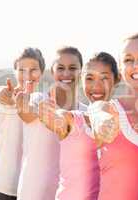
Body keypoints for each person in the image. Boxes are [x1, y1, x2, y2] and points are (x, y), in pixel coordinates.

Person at [91, 34, 138, 200]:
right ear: (120, 68)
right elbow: (97, 111)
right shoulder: (109, 109)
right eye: (128, 60)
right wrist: (101, 120)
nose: (136, 65)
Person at [39, 52, 120, 200]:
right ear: (81, 81)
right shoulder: (74, 119)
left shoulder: (125, 121)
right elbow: (61, 119)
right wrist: (48, 115)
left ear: (116, 79)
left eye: (104, 78)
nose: (96, 86)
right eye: (89, 78)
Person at [17, 46, 85, 200]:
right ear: (52, 72)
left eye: (73, 68)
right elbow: (26, 113)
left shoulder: (85, 113)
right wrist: (39, 111)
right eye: (60, 68)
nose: (66, 73)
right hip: (32, 195)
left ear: (82, 71)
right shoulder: (38, 99)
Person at [0, 47, 45, 200]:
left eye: (33, 70)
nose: (27, 75)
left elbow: (34, 111)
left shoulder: (41, 99)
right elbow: (1, 96)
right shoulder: (3, 93)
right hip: (2, 185)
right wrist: (7, 97)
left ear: (41, 73)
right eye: (21, 70)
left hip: (30, 188)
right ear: (14, 71)